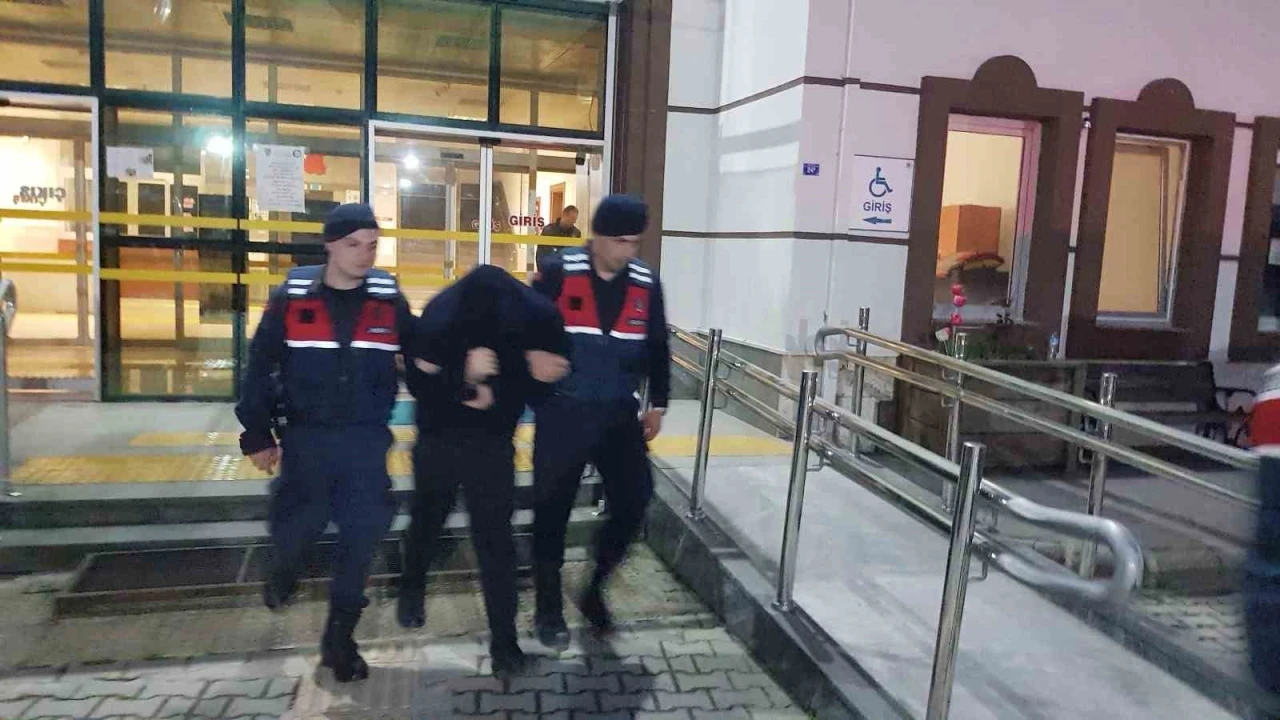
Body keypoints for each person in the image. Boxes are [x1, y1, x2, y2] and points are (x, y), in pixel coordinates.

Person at [236, 203, 419, 683]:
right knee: (298, 529)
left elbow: (422, 355)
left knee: (362, 539)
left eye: (372, 245)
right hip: (306, 442)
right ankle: (284, 569)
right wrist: (257, 434)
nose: (365, 254)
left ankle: (340, 640)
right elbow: (259, 367)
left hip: (365, 444)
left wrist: (460, 379)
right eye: (353, 244)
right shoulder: (293, 297)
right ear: (330, 246)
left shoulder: (388, 299)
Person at [396, 265, 570, 675]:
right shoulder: (442, 314)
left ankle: (504, 646)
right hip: (439, 439)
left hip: (492, 444)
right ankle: (412, 586)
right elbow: (420, 383)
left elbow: (546, 382)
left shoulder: (536, 318)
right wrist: (465, 380)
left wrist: (520, 375)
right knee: (427, 523)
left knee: (496, 542)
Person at [530, 194, 671, 649]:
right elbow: (520, 328)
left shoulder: (646, 283)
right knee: (551, 511)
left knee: (635, 499)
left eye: (635, 242)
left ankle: (594, 589)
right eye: (620, 242)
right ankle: (548, 607)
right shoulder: (558, 271)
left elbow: (657, 346)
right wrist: (531, 360)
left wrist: (658, 403)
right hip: (563, 413)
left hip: (616, 414)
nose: (628, 251)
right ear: (598, 237)